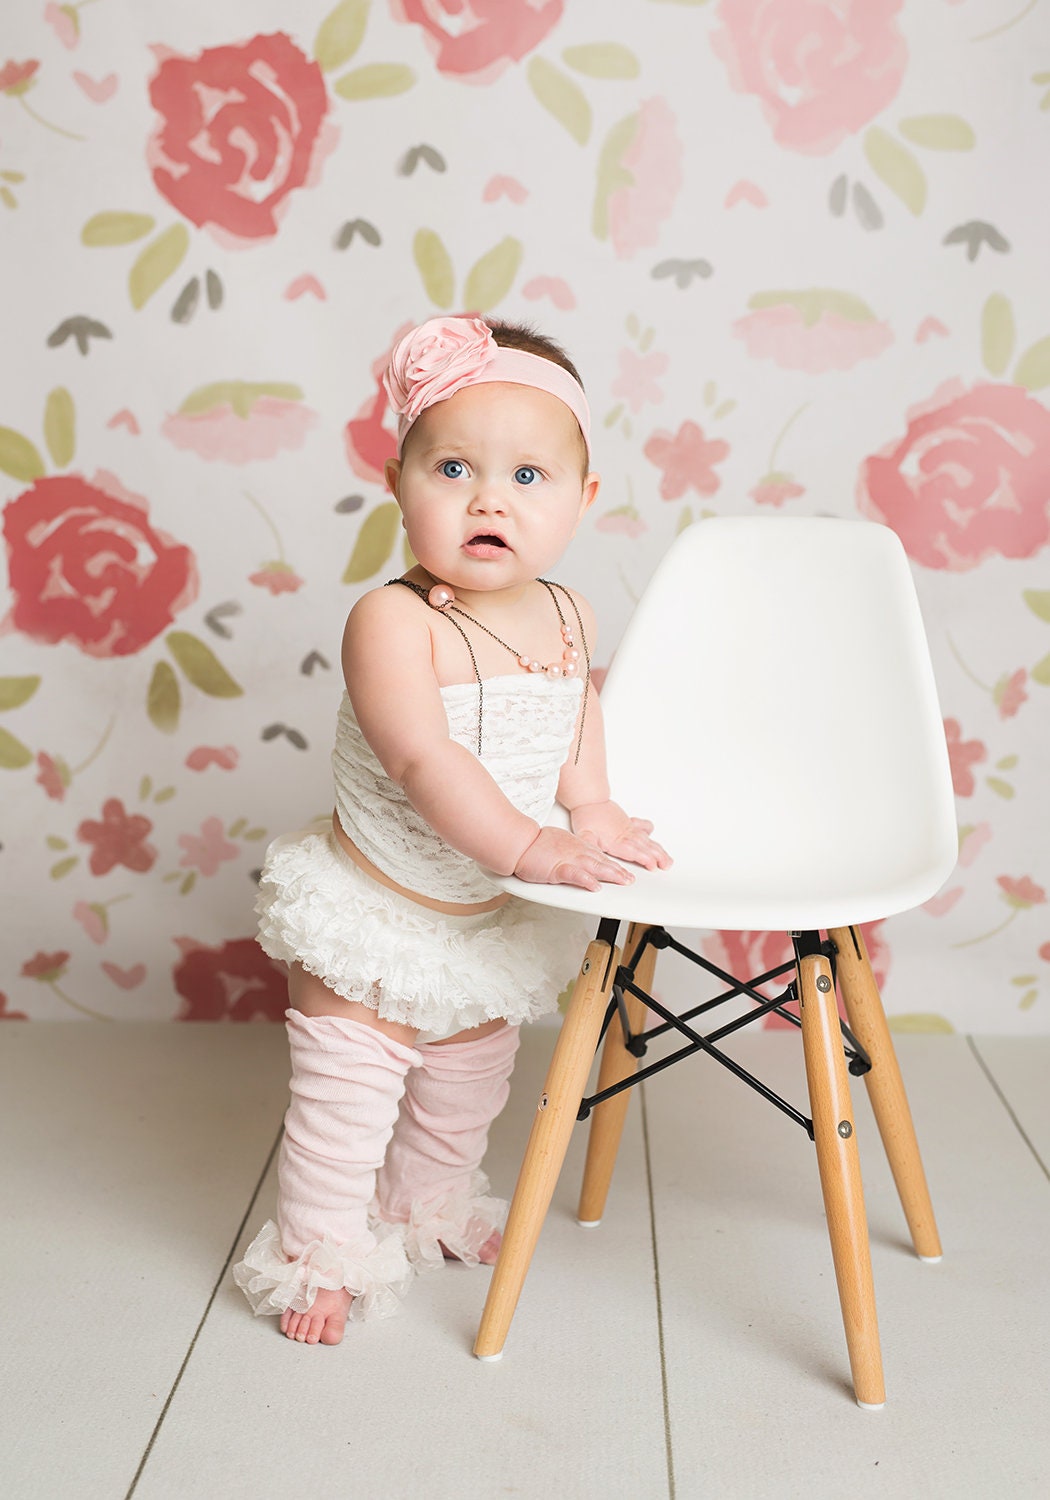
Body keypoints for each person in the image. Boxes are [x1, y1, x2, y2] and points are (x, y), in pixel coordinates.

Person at [233, 315, 671, 1346]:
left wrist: (591, 803)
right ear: (398, 483)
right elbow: (429, 761)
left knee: (465, 1088)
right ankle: (320, 1258)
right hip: (379, 904)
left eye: (529, 477)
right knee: (348, 1102)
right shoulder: (394, 622)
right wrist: (534, 848)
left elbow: (574, 714)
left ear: (582, 500)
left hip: (481, 910)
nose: (489, 498)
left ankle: (424, 1207)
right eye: (456, 467)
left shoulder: (568, 613)